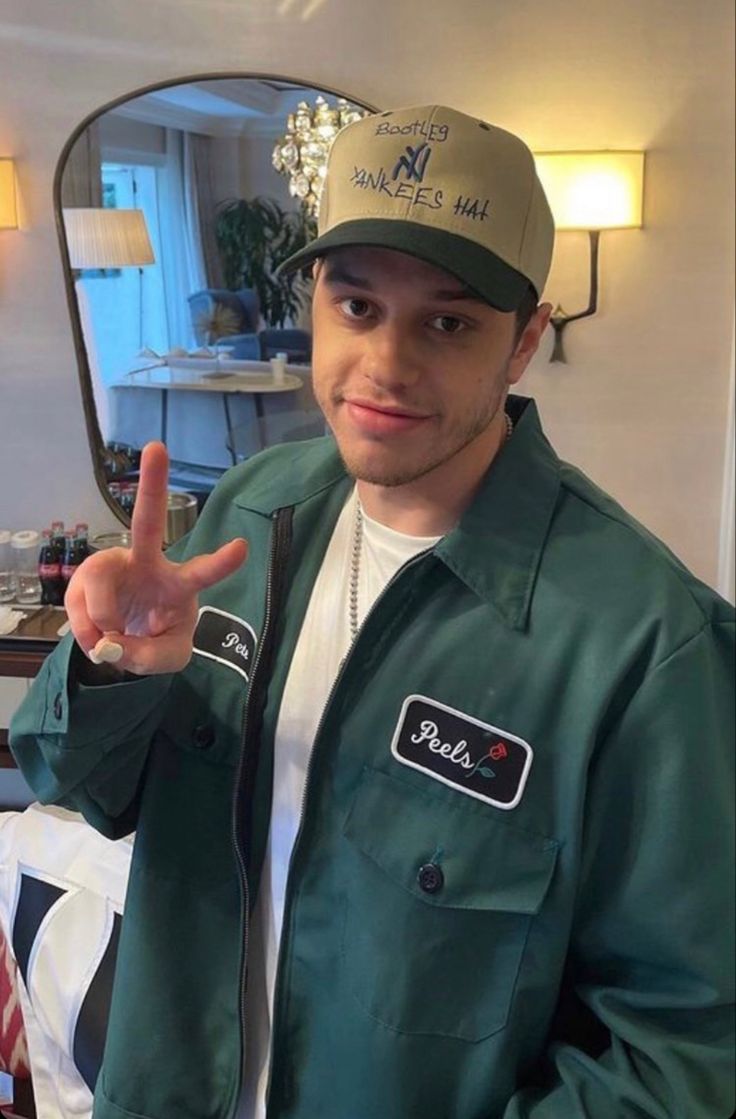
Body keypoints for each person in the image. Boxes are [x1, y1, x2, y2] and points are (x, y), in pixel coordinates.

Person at [10, 104, 735, 1119]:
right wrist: (112, 672)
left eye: (447, 322)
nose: (386, 365)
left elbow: (681, 1053)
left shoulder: (642, 645)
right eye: (356, 307)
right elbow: (77, 787)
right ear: (312, 300)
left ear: (523, 341)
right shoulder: (245, 518)